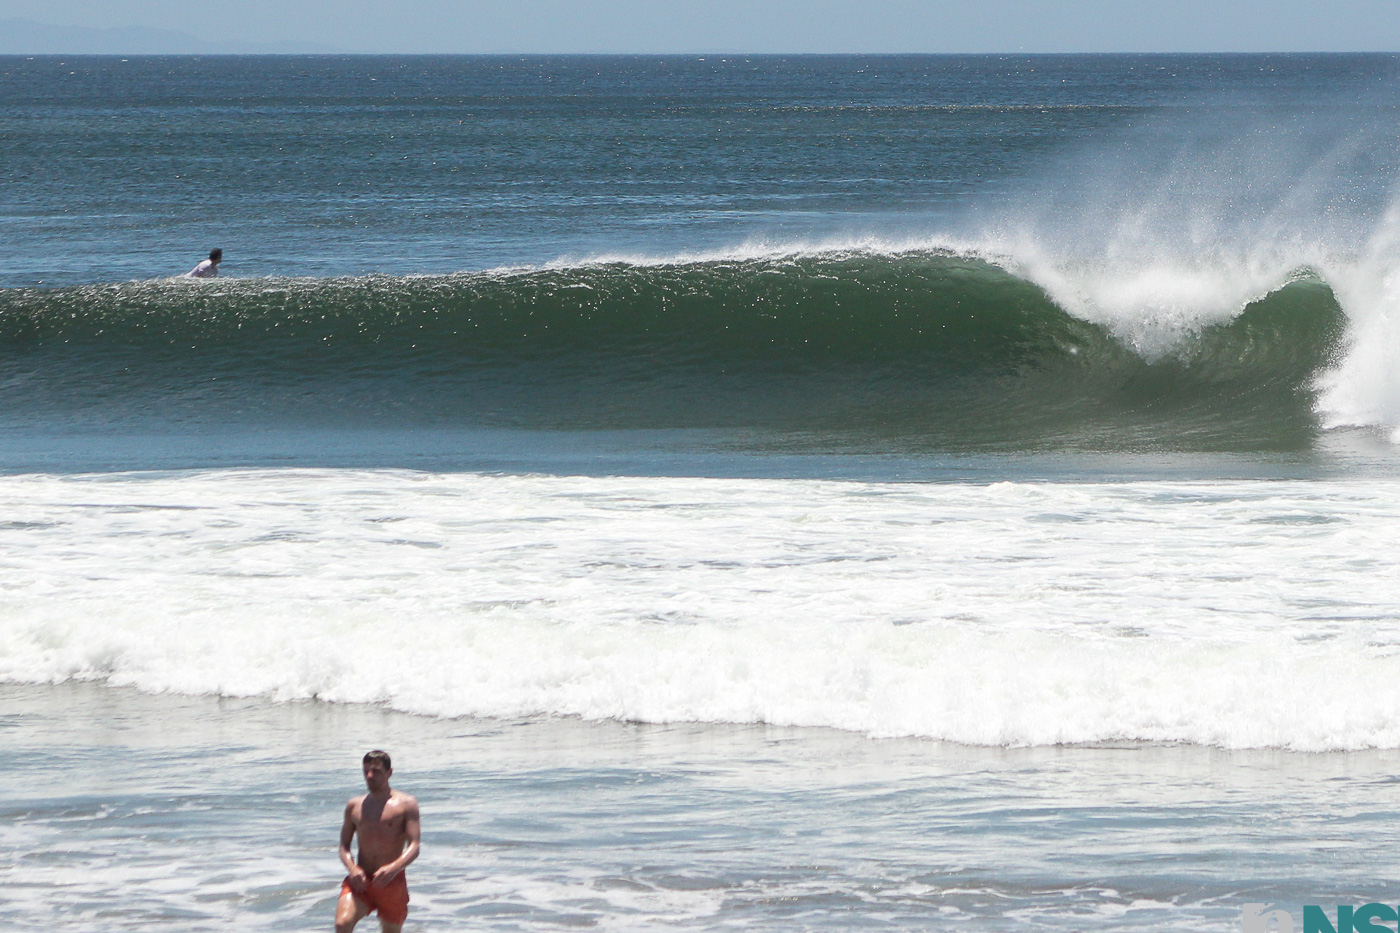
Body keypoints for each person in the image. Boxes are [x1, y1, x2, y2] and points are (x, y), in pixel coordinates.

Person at [336, 750, 421, 933]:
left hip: (391, 882)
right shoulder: (354, 806)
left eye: (376, 772)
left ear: (390, 773)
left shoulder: (406, 804)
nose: (369, 776)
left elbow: (414, 846)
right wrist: (353, 869)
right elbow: (344, 846)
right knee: (342, 925)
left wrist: (394, 868)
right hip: (360, 880)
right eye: (366, 771)